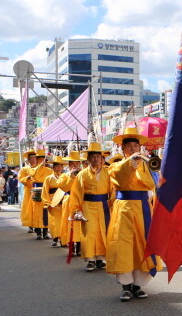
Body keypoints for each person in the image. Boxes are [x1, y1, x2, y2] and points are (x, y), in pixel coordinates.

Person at [105, 127, 161, 301]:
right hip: (124, 209)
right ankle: (126, 286)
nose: (133, 149)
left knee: (143, 245)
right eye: (129, 146)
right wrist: (132, 163)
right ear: (122, 149)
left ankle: (138, 286)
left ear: (140, 148)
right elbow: (120, 178)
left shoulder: (147, 165)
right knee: (124, 246)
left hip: (143, 208)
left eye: (135, 146)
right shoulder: (115, 165)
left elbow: (153, 184)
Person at [67, 143, 113, 272]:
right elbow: (76, 193)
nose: (96, 159)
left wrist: (113, 203)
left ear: (102, 158)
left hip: (104, 205)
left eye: (98, 156)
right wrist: (76, 210)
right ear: (88, 159)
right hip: (88, 206)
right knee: (89, 232)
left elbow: (113, 190)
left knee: (103, 231)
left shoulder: (108, 173)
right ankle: (91, 260)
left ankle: (101, 258)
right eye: (93, 157)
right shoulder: (82, 174)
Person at [20, 149, 51, 240]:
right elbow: (22, 179)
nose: (40, 162)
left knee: (45, 212)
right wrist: (27, 178)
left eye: (42, 160)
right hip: (34, 192)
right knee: (35, 212)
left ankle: (45, 232)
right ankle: (37, 231)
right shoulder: (29, 170)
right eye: (39, 160)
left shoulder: (49, 170)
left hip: (45, 192)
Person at [58, 153, 83, 257]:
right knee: (70, 224)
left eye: (77, 163)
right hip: (69, 201)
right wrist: (71, 177)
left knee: (80, 224)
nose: (75, 166)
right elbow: (63, 188)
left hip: (80, 201)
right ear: (68, 165)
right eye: (72, 164)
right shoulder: (64, 175)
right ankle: (71, 246)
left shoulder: (84, 173)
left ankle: (80, 247)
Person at [43, 157, 66, 247]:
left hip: (63, 199)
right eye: (57, 166)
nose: (59, 168)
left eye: (61, 166)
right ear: (53, 167)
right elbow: (45, 191)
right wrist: (47, 202)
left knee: (63, 220)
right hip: (53, 200)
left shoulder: (65, 177)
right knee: (54, 221)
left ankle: (63, 239)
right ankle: (55, 238)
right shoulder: (49, 178)